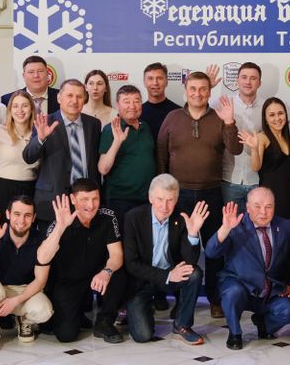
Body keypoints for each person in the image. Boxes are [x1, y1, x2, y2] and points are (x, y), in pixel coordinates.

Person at [156, 72, 239, 314]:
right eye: (193, 89)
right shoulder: (172, 118)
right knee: (180, 250)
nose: (197, 93)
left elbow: (235, 149)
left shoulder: (219, 117)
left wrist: (230, 123)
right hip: (179, 196)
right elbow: (161, 154)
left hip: (211, 193)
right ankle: (182, 301)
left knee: (214, 250)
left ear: (209, 92)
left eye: (203, 89)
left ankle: (215, 300)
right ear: (185, 91)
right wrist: (163, 189)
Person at [121, 174, 209, 345]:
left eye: (170, 200)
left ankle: (182, 325)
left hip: (171, 275)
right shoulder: (133, 217)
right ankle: (139, 310)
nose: (165, 206)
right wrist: (167, 275)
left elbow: (190, 261)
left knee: (194, 273)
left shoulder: (182, 217)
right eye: (160, 199)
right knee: (142, 335)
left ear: (176, 200)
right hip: (143, 280)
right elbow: (132, 264)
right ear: (150, 198)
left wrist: (192, 234)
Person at [207, 187, 290, 349]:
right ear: (248, 207)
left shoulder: (286, 226)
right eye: (257, 206)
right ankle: (235, 333)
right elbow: (211, 252)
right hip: (241, 286)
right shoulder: (236, 225)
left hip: (271, 291)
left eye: (269, 206)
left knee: (289, 309)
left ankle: (265, 325)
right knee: (232, 292)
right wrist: (225, 229)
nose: (263, 212)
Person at [0, 195, 72, 352]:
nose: (21, 220)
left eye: (27, 215)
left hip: (26, 290)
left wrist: (15, 301)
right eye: (17, 214)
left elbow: (40, 281)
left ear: (33, 218)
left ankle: (24, 321)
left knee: (44, 311)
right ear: (8, 214)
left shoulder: (39, 238)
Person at [46, 179, 128, 344]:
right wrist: (60, 228)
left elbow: (117, 255)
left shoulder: (108, 215)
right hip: (68, 281)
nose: (91, 205)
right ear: (73, 199)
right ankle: (75, 314)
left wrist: (106, 272)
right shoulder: (61, 220)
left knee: (118, 271)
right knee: (66, 334)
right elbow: (43, 258)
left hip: (97, 275)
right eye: (84, 199)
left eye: (95, 198)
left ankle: (104, 322)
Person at [24, 79, 102, 221]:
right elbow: (29, 157)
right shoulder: (45, 122)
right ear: (59, 98)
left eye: (79, 96)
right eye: (70, 95)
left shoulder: (94, 124)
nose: (75, 101)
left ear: (85, 99)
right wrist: (40, 138)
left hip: (86, 201)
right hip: (52, 200)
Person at [237, 97, 290, 226]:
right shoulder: (262, 138)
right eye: (272, 115)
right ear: (265, 119)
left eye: (280, 113)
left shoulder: (289, 139)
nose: (277, 118)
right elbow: (256, 167)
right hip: (270, 201)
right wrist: (254, 148)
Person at [98, 85, 156, 221]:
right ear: (117, 105)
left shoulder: (146, 127)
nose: (132, 106)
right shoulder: (111, 129)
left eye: (136, 101)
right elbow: (103, 169)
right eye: (126, 101)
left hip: (146, 198)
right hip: (120, 199)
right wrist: (117, 141)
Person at [0, 90, 40, 223]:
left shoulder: (38, 134)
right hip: (0, 189)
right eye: (15, 106)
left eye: (25, 105)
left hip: (28, 190)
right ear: (10, 110)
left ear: (32, 109)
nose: (20, 110)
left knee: (23, 231)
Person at [221, 62, 265, 208]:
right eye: (244, 77)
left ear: (259, 83)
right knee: (232, 222)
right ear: (237, 80)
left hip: (258, 180)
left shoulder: (267, 107)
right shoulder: (224, 104)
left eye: (253, 78)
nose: (248, 82)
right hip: (229, 180)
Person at [140, 62, 180, 138]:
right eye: (150, 78)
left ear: (166, 82)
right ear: (144, 82)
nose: (155, 83)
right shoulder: (137, 112)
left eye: (159, 78)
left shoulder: (178, 112)